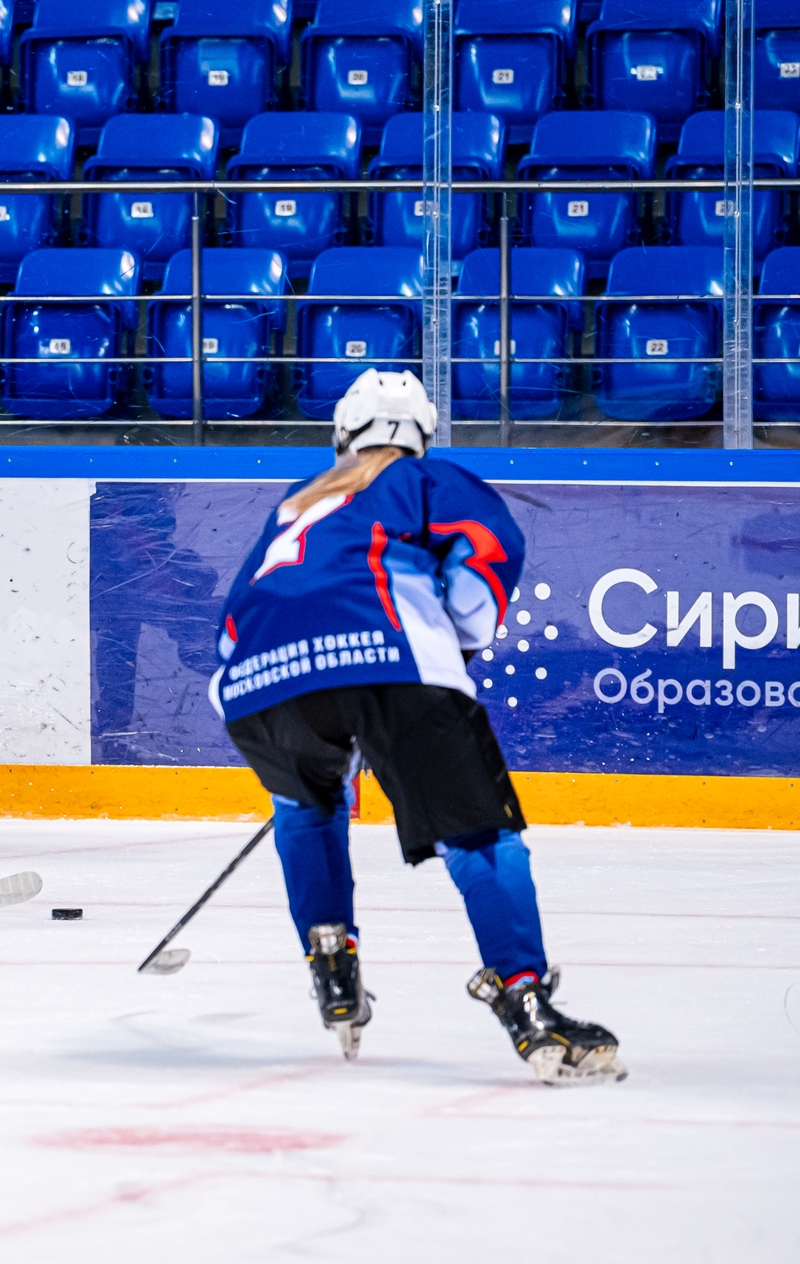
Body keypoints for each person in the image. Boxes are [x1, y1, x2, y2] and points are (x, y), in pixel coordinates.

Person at [209, 368, 624, 1085]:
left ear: (342, 435)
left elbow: (238, 618)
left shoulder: (298, 502)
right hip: (391, 659)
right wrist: (441, 648)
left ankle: (332, 965)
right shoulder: (424, 479)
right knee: (479, 836)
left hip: (255, 686)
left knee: (305, 808)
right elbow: (492, 551)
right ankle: (525, 1003)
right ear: (422, 436)